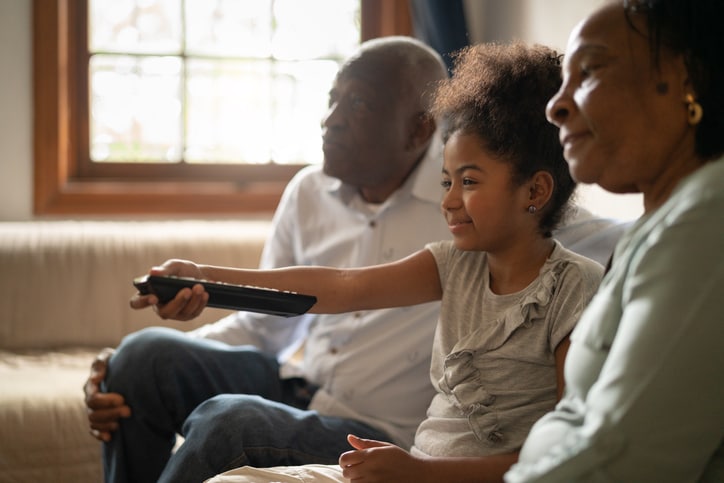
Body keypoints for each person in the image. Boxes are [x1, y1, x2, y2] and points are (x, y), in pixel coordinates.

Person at [146, 42, 605, 483]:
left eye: (468, 181)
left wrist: (423, 474)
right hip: (413, 466)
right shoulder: (453, 264)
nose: (447, 202)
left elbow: (567, 446)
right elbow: (341, 287)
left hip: (431, 473)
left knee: (231, 425)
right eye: (446, 180)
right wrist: (205, 276)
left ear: (536, 192)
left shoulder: (575, 285)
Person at [83, 36, 453, 483]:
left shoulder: (463, 210)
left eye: (357, 105)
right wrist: (122, 365)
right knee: (142, 358)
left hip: (374, 433)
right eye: (332, 100)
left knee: (231, 424)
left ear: (420, 130)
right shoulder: (309, 191)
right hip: (296, 388)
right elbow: (265, 327)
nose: (329, 121)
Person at [504, 1, 724, 482]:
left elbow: (623, 460)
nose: (556, 106)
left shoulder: (708, 216)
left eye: (590, 71)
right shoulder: (663, 223)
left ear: (687, 76)